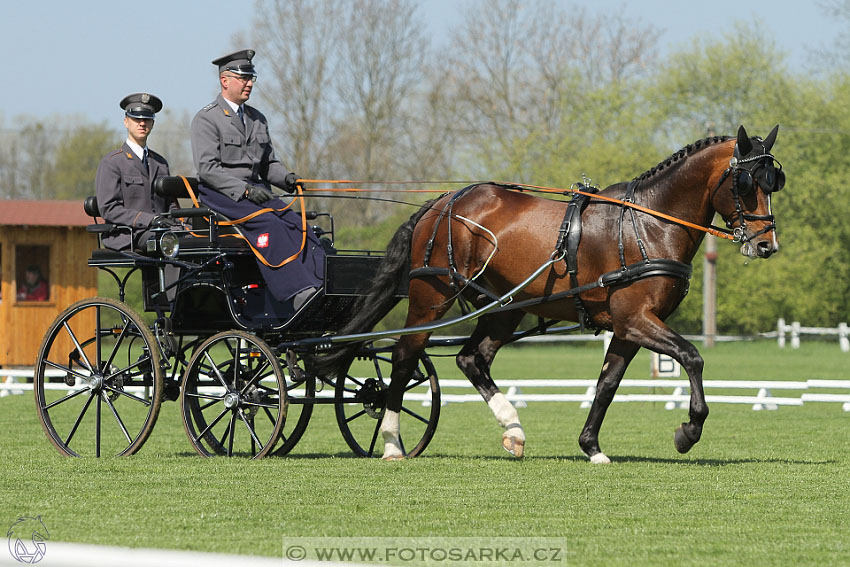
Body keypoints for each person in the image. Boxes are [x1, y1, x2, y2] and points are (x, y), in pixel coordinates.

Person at [190, 49, 324, 310]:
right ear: (224, 80)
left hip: (257, 192)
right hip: (222, 196)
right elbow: (207, 170)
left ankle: (318, 286)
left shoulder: (257, 119)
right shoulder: (206, 119)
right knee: (270, 225)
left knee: (298, 224)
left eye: (251, 78)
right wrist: (246, 192)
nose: (249, 83)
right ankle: (295, 293)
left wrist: (287, 179)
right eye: (243, 78)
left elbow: (268, 164)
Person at [95, 93, 177, 251]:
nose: (142, 123)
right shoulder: (112, 162)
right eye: (136, 119)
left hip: (161, 231)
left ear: (152, 123)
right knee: (168, 243)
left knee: (196, 244)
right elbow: (108, 208)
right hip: (128, 234)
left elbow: (170, 204)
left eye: (146, 119)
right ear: (126, 122)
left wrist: (182, 222)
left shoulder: (160, 163)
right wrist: (149, 220)